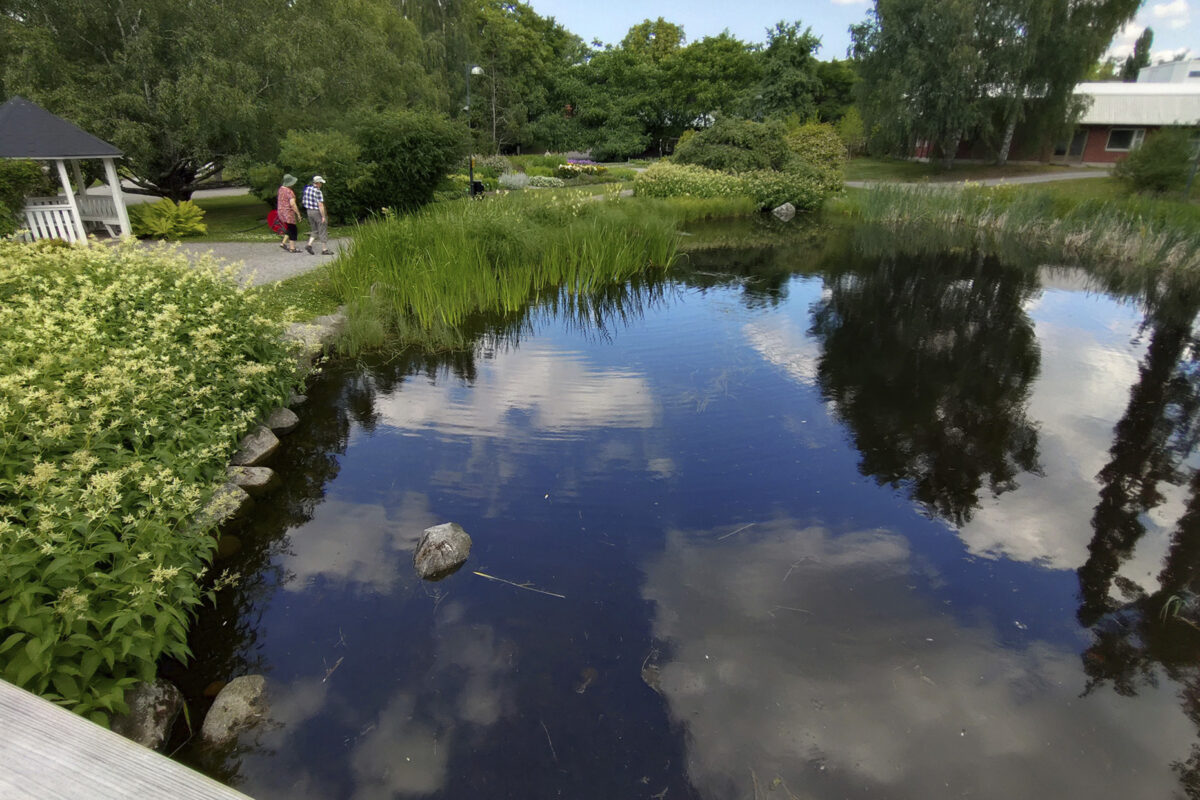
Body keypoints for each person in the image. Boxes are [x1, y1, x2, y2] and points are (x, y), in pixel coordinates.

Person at [302, 175, 333, 255]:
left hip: (309, 211)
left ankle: (309, 245)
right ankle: (324, 249)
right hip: (317, 212)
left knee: (314, 229)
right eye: (321, 183)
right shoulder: (318, 191)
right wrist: (323, 216)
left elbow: (304, 201)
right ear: (318, 183)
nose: (321, 184)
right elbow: (320, 205)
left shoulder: (308, 189)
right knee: (322, 229)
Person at [276, 174, 302, 253]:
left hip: (281, 212)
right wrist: (298, 214)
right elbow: (293, 204)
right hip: (288, 212)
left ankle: (283, 243)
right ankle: (292, 248)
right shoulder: (289, 192)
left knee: (289, 227)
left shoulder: (280, 189)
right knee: (293, 229)